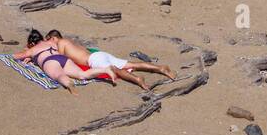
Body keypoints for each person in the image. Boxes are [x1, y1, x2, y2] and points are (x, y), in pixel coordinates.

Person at [44, 30, 175, 91]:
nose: (49, 43)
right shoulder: (71, 42)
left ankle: (137, 79)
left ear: (53, 38)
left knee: (115, 70)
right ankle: (160, 68)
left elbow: (60, 58)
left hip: (93, 59)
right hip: (101, 54)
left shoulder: (60, 42)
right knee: (132, 64)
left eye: (48, 40)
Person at [13, 29, 115, 94]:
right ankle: (105, 70)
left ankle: (69, 84)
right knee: (82, 74)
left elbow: (16, 56)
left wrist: (27, 51)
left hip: (49, 61)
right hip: (63, 59)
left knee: (59, 75)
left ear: (31, 43)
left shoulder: (32, 50)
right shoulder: (51, 42)